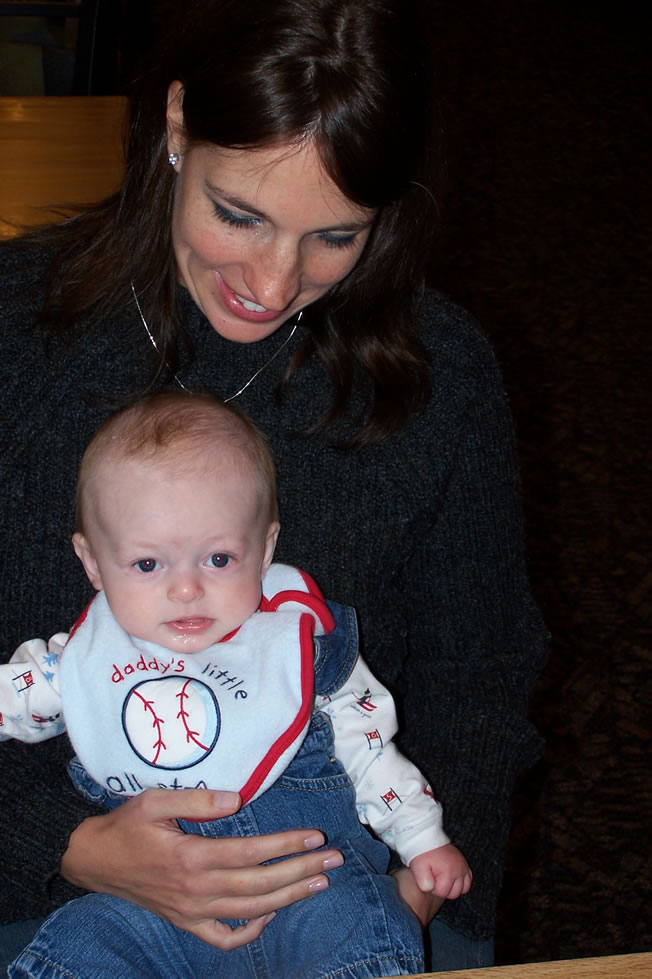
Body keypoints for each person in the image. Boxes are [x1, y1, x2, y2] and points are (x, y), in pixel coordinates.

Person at [0, 0, 548, 972]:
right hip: (48, 885)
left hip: (343, 887)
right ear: (177, 125)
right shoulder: (15, 331)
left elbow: (476, 672)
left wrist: (422, 895)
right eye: (239, 214)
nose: (272, 280)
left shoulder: (441, 375)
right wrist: (67, 844)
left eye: (335, 236)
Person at [3, 390, 472, 977]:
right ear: (93, 562)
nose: (186, 589)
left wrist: (422, 837)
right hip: (150, 910)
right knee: (79, 939)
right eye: (147, 564)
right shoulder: (76, 662)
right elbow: (14, 698)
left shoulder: (301, 650)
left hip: (315, 891)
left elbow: (371, 748)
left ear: (265, 547)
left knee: (363, 927)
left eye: (219, 559)